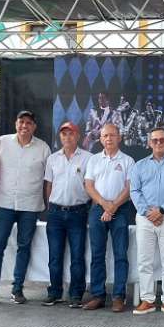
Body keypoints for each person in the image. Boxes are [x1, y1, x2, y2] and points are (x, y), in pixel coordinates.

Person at [0, 110, 51, 306]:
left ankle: (17, 289)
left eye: (29, 122)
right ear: (15, 124)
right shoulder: (2, 142)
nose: (24, 126)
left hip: (30, 205)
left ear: (34, 126)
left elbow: (50, 178)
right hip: (4, 203)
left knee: (24, 247)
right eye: (21, 122)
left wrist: (49, 202)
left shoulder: (43, 148)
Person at [129, 127, 164, 315]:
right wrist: (149, 212)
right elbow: (134, 191)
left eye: (162, 140)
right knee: (144, 260)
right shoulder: (139, 166)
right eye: (155, 140)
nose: (159, 143)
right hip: (145, 218)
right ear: (149, 143)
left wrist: (161, 210)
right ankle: (147, 300)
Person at [83, 124, 136, 312]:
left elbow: (129, 189)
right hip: (98, 209)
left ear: (119, 137)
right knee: (97, 254)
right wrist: (106, 205)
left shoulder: (128, 161)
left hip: (121, 209)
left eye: (112, 135)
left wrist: (113, 207)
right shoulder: (94, 160)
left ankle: (118, 296)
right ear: (101, 138)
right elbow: (89, 186)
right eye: (105, 136)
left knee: (120, 255)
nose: (108, 139)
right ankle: (98, 295)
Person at [43, 121, 92, 308]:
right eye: (64, 134)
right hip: (55, 213)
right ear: (60, 137)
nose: (67, 137)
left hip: (78, 212)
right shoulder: (53, 159)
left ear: (77, 136)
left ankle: (76, 295)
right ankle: (54, 292)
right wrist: (50, 205)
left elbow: (90, 185)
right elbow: (48, 185)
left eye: (71, 134)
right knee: (55, 256)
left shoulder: (88, 158)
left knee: (77, 256)